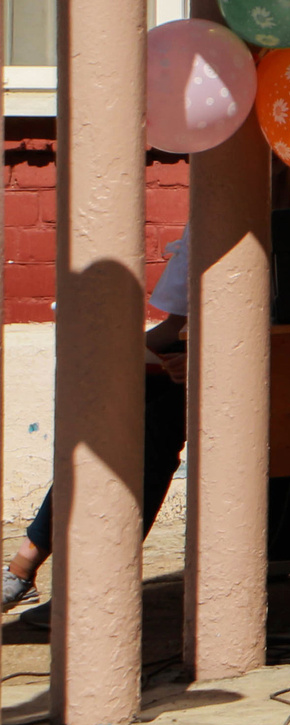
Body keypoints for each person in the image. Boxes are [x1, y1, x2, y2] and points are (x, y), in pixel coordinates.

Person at [4, 235, 195, 622]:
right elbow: (175, 327)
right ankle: (25, 567)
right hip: (184, 363)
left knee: (151, 440)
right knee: (103, 426)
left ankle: (79, 580)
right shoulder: (208, 217)